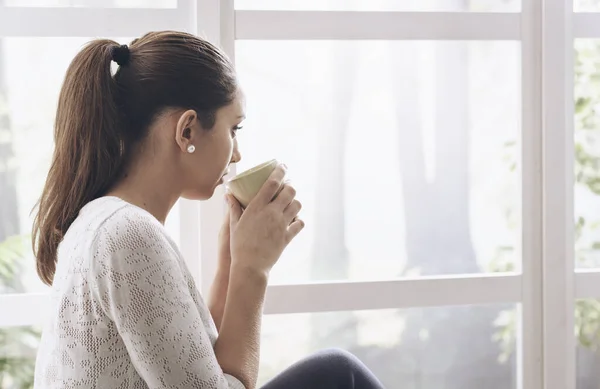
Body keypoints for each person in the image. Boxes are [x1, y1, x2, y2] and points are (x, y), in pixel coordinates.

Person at [31, 31, 385, 389]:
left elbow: (199, 362)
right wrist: (253, 269)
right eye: (234, 128)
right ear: (187, 131)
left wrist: (232, 260)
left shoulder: (99, 221)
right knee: (340, 374)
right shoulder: (128, 234)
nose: (237, 154)